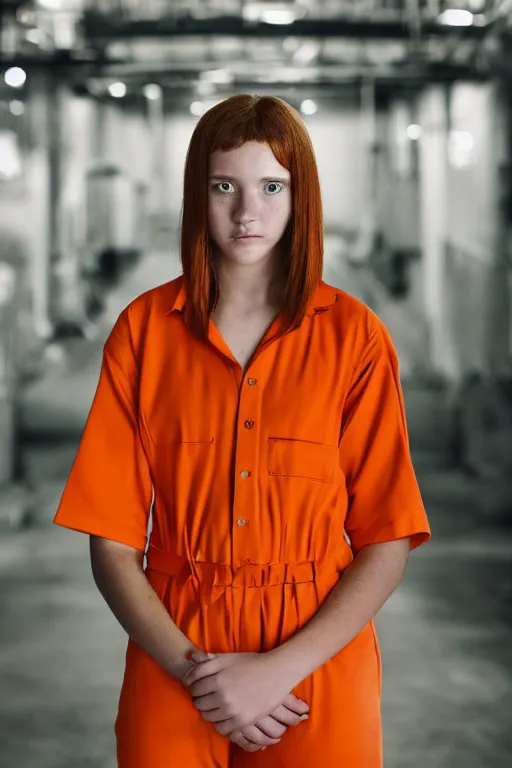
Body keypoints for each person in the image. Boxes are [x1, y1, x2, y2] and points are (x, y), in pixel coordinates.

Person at [53, 94, 431, 767]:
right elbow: (110, 543)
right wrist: (198, 673)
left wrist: (275, 670)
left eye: (271, 187)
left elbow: (387, 537)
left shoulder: (355, 339)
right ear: (198, 194)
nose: (246, 211)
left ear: (300, 195)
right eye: (224, 185)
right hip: (173, 642)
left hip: (316, 651)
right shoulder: (144, 334)